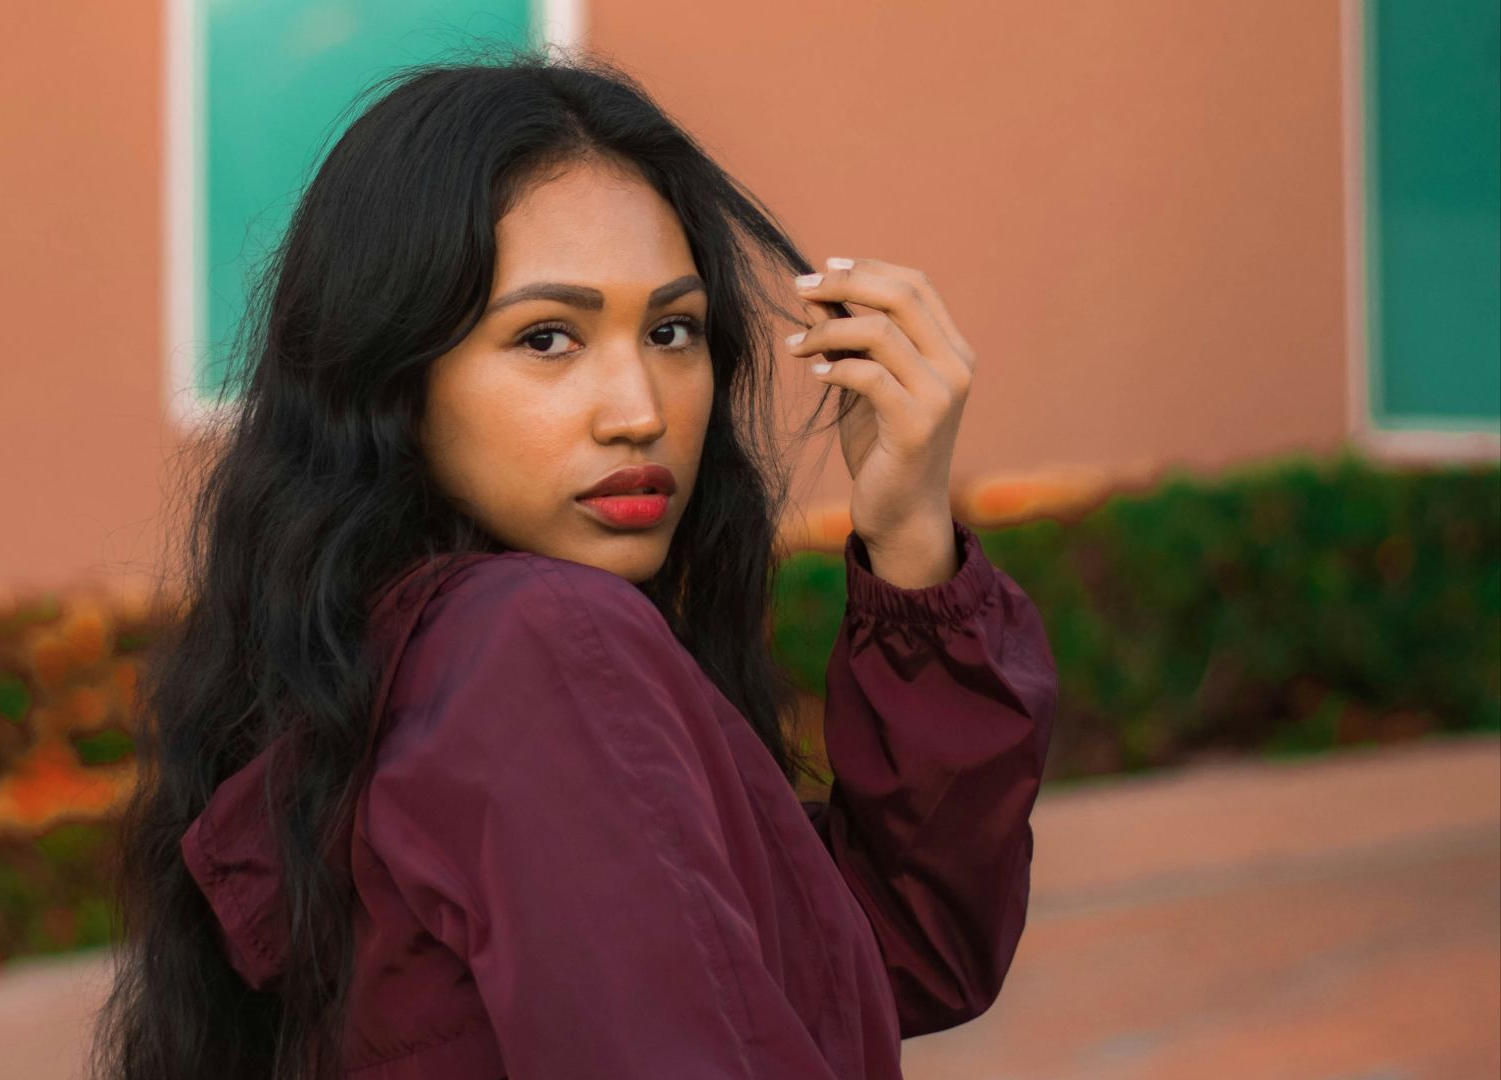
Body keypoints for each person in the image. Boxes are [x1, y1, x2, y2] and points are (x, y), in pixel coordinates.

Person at [92, 46, 1057, 1080]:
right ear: (394, 375)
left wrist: (909, 533)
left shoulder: (395, 671)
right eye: (548, 338)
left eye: (673, 330)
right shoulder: (537, 642)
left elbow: (877, 958)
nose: (640, 411)